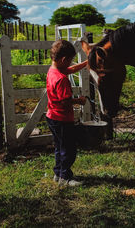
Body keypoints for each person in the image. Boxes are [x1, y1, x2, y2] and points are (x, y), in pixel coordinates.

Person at [46, 39, 88, 187]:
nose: (70, 64)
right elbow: (65, 101)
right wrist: (79, 100)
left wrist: (85, 64)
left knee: (59, 147)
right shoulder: (62, 79)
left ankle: (58, 173)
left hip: (52, 117)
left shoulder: (53, 71)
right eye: (70, 60)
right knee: (69, 149)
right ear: (64, 59)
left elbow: (70, 69)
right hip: (63, 119)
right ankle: (65, 178)